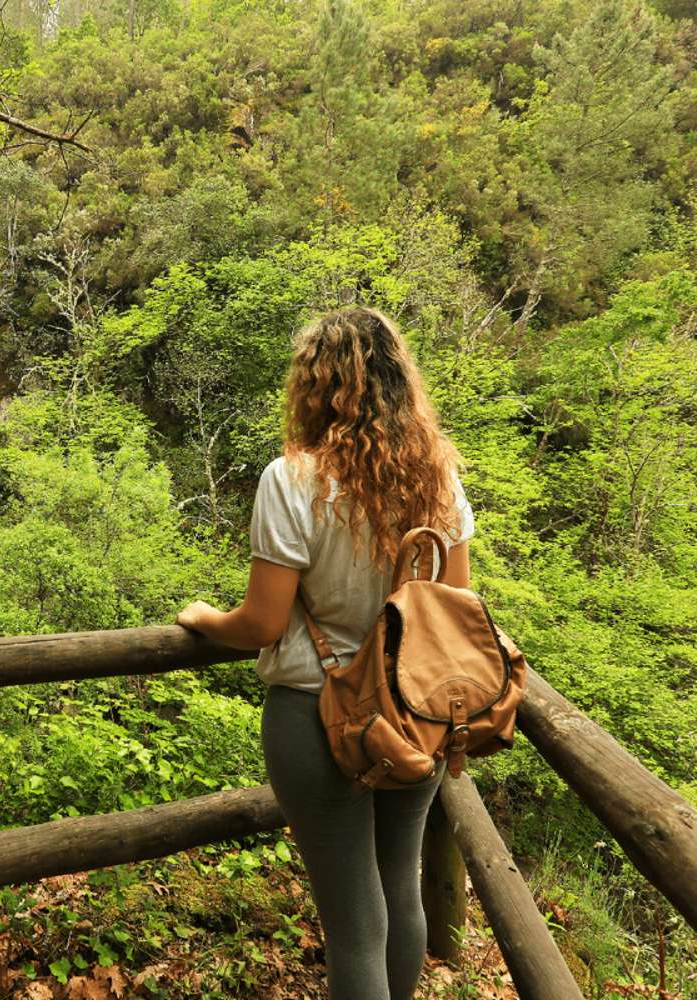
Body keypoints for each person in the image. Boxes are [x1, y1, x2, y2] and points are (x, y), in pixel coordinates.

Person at [175, 305, 474, 1000]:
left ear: (316, 385)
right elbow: (452, 608)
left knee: (354, 922)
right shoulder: (438, 477)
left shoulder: (293, 480)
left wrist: (201, 618)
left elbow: (261, 623)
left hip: (317, 714)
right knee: (400, 890)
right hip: (415, 711)